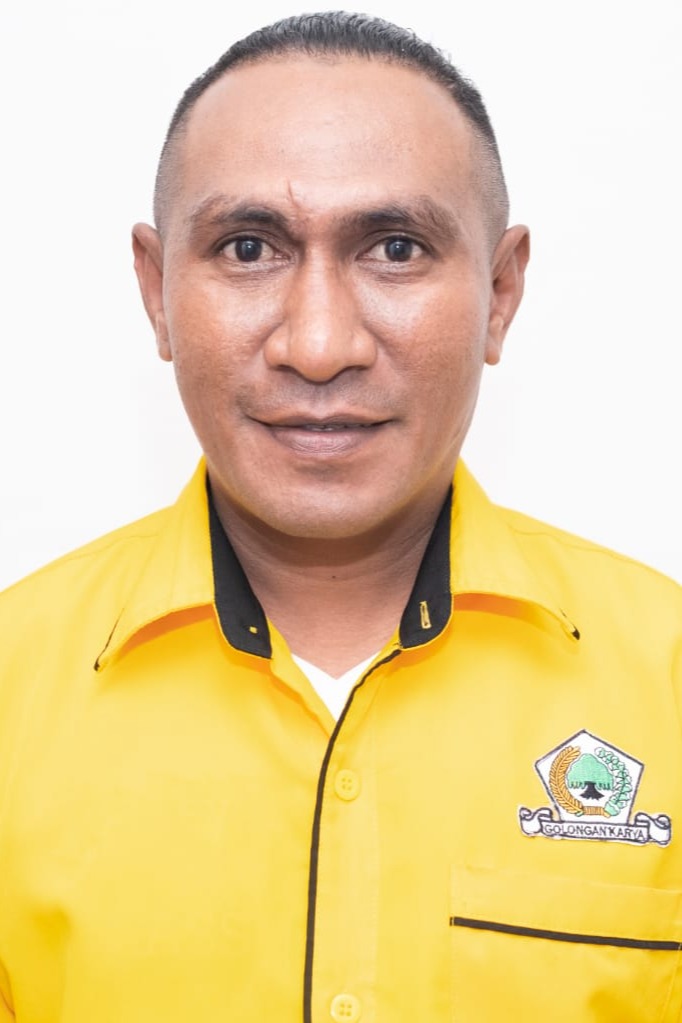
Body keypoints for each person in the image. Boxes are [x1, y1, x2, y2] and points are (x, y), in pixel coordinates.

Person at [0, 10, 680, 1021]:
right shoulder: (12, 689)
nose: (319, 346)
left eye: (395, 248)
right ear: (157, 292)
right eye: (247, 248)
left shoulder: (666, 682)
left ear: (500, 292)